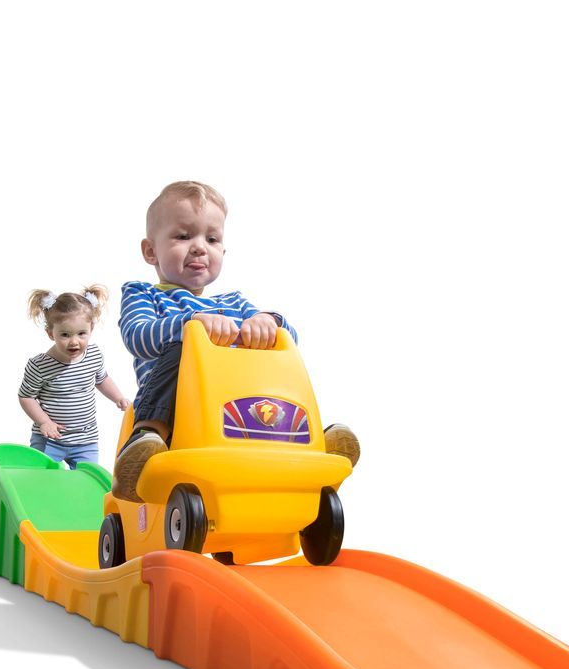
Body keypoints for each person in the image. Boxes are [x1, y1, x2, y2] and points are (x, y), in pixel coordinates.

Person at [112, 180, 359, 502]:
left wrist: (269, 321)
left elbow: (289, 339)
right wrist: (191, 323)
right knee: (182, 348)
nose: (199, 247)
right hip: (179, 414)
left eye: (212, 239)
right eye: (183, 236)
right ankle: (145, 443)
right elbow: (137, 336)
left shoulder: (235, 303)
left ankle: (310, 443)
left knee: (275, 353)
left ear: (223, 251)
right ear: (150, 251)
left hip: (239, 407)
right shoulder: (143, 294)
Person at [19, 286, 131, 469]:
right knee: (41, 477)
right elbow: (26, 397)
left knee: (88, 477)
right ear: (50, 333)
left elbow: (102, 379)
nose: (74, 341)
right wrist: (44, 422)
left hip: (85, 439)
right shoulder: (40, 365)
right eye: (65, 335)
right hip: (50, 439)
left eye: (81, 334)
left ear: (91, 329)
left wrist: (118, 397)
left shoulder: (93, 355)